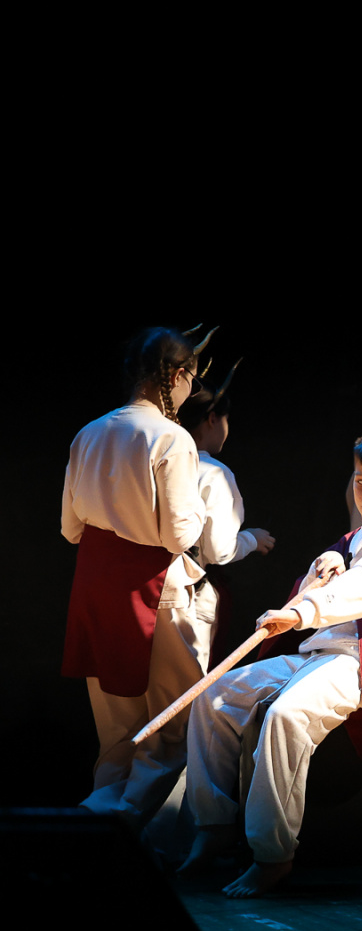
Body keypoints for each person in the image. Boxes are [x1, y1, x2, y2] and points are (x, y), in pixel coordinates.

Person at [182, 430, 362, 897]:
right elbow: (323, 582)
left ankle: (273, 855)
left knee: (286, 715)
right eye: (361, 482)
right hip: (317, 654)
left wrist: (300, 612)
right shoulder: (354, 538)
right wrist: (323, 566)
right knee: (213, 698)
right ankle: (212, 825)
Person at [62, 325, 209, 831]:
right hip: (152, 587)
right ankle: (137, 833)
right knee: (171, 724)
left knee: (116, 727)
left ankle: (96, 821)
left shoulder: (89, 432)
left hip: (95, 586)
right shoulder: (171, 437)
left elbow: (70, 528)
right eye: (192, 379)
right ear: (178, 375)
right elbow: (179, 534)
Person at [176, 361, 277, 671]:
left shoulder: (155, 463)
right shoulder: (213, 474)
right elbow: (219, 550)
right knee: (190, 687)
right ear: (212, 419)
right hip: (189, 596)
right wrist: (252, 539)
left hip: (145, 591)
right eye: (225, 419)